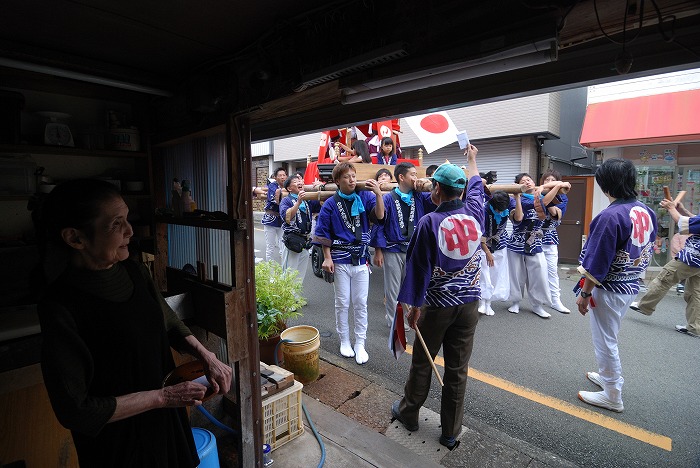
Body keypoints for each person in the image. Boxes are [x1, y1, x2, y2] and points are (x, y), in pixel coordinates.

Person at [34, 179, 232, 468]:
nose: (130, 231)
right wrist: (162, 397)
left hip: (165, 423)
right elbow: (75, 410)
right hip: (116, 442)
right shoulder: (60, 306)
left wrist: (207, 355)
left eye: (127, 219)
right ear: (75, 238)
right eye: (116, 224)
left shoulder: (134, 271)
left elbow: (169, 322)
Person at [391, 145, 484, 450]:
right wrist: (471, 160)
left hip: (438, 306)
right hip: (470, 305)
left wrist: (413, 307)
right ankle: (451, 432)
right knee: (457, 369)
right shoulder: (475, 212)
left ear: (437, 190)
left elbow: (417, 270)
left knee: (422, 362)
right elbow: (476, 184)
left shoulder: (428, 223)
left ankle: (409, 413)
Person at [575, 158, 657, 412]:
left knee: (605, 339)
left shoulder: (610, 216)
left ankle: (612, 392)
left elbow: (597, 261)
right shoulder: (645, 210)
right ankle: (608, 376)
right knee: (610, 334)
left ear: (605, 185)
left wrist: (584, 293)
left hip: (609, 288)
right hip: (629, 284)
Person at [313, 162, 385, 364]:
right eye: (347, 177)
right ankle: (344, 340)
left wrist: (379, 194)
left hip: (361, 259)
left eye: (354, 175)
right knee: (342, 302)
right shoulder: (330, 204)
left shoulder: (365, 196)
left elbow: (379, 217)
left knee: (361, 303)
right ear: (337, 181)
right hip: (341, 259)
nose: (352, 179)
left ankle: (360, 343)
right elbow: (323, 233)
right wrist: (327, 257)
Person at [372, 162, 435, 331]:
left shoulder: (420, 196)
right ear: (401, 177)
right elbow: (379, 222)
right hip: (393, 249)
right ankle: (394, 324)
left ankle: (407, 317)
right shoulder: (388, 198)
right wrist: (378, 250)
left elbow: (436, 198)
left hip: (414, 250)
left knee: (410, 287)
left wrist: (427, 183)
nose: (415, 178)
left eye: (416, 174)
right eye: (412, 174)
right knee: (392, 290)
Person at [630, 198, 700, 338]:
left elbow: (683, 225)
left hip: (693, 257)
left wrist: (671, 208)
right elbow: (696, 221)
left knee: (665, 277)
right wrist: (683, 210)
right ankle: (694, 327)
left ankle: (645, 306)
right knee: (695, 292)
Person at [506, 173, 571, 318]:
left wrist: (552, 187)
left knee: (539, 273)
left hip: (535, 241)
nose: (527, 182)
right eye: (523, 181)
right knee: (517, 274)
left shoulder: (543, 196)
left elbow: (549, 202)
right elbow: (519, 217)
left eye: (529, 179)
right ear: (518, 185)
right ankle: (515, 302)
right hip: (517, 240)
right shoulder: (515, 199)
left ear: (534, 181)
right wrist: (518, 197)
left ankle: (537, 305)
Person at [540, 170, 571, 313]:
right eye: (547, 180)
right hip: (534, 238)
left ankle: (555, 300)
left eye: (553, 180)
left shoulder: (563, 198)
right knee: (534, 273)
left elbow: (554, 213)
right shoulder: (537, 193)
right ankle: (536, 300)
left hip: (550, 238)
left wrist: (547, 195)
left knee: (552, 271)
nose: (549, 182)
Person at [279, 174, 320, 274]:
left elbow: (321, 204)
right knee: (288, 276)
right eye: (296, 182)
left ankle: (296, 291)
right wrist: (298, 203)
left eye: (300, 181)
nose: (300, 182)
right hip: (292, 242)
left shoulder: (307, 201)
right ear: (289, 188)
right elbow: (286, 217)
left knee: (299, 276)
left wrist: (321, 186)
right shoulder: (286, 200)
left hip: (305, 242)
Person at [479, 190, 511, 316]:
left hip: (500, 243)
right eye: (498, 209)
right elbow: (481, 234)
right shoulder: (483, 210)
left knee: (495, 274)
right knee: (484, 274)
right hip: (483, 245)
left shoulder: (506, 208)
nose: (499, 212)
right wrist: (487, 252)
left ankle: (489, 302)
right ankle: (482, 301)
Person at [262, 168, 287, 262]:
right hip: (270, 220)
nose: (282, 177)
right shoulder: (273, 186)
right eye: (280, 175)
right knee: (270, 247)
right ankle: (270, 274)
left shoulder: (288, 186)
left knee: (284, 246)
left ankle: (285, 271)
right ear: (275, 178)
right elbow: (274, 199)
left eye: (284, 175)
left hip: (282, 220)